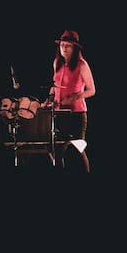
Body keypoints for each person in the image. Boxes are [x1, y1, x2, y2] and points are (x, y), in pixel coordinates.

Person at [43, 30, 96, 173]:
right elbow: (54, 87)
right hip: (60, 113)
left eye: (68, 46)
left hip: (77, 113)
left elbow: (92, 90)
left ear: (75, 48)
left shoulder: (82, 65)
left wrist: (74, 97)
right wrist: (48, 100)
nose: (64, 49)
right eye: (62, 45)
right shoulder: (57, 63)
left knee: (78, 149)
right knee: (57, 150)